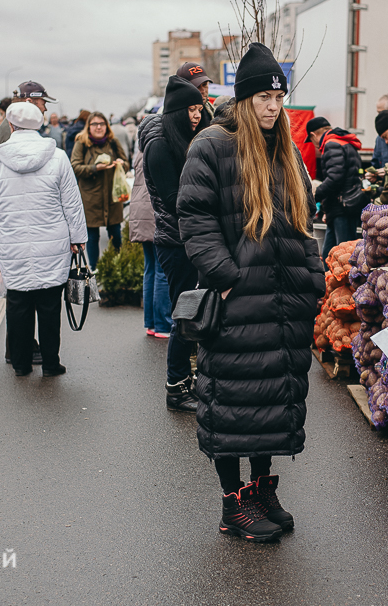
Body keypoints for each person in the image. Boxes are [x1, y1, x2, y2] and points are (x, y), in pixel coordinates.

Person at [178, 43, 326, 542]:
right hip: (238, 301)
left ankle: (260, 491)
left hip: (285, 302)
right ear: (244, 99)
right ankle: (231, 504)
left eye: (278, 96)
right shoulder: (213, 145)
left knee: (269, 402)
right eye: (263, 96)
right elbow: (193, 219)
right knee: (230, 404)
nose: (272, 105)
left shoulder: (284, 150)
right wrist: (225, 276)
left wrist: (315, 279)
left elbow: (305, 226)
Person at [0, 102, 87, 377]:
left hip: (14, 242)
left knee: (18, 303)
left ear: (11, 126)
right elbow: (72, 202)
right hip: (53, 240)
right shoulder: (58, 157)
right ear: (39, 124)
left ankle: (21, 363)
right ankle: (51, 363)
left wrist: (4, 221)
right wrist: (78, 237)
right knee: (49, 305)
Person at [142, 76, 207, 412]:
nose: (196, 115)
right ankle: (176, 386)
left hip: (195, 237)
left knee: (198, 313)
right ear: (175, 111)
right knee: (184, 315)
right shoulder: (160, 144)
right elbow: (172, 199)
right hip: (175, 241)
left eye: (199, 108)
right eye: (189, 109)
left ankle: (191, 380)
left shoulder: (190, 137)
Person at [128, 119, 172, 341]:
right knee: (162, 269)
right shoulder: (160, 149)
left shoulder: (141, 150)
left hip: (140, 214)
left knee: (151, 269)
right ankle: (164, 324)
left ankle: (151, 323)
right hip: (154, 213)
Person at [69, 111, 127, 271]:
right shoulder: (82, 143)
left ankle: (117, 268)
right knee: (92, 236)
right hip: (91, 197)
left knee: (116, 233)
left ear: (106, 126)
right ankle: (94, 269)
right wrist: (95, 168)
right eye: (95, 124)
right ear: (89, 126)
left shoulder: (113, 142)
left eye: (102, 123)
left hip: (112, 196)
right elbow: (74, 166)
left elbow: (127, 163)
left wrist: (121, 164)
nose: (99, 127)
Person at [311, 118, 368, 258]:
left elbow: (334, 178)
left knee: (344, 255)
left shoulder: (331, 144)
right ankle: (328, 279)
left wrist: (314, 196)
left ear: (313, 135)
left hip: (341, 208)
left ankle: (345, 280)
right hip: (344, 206)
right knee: (329, 254)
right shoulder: (345, 142)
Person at [0, 82, 56, 146]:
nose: (45, 109)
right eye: (43, 104)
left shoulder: (17, 123)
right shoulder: (10, 126)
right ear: (29, 102)